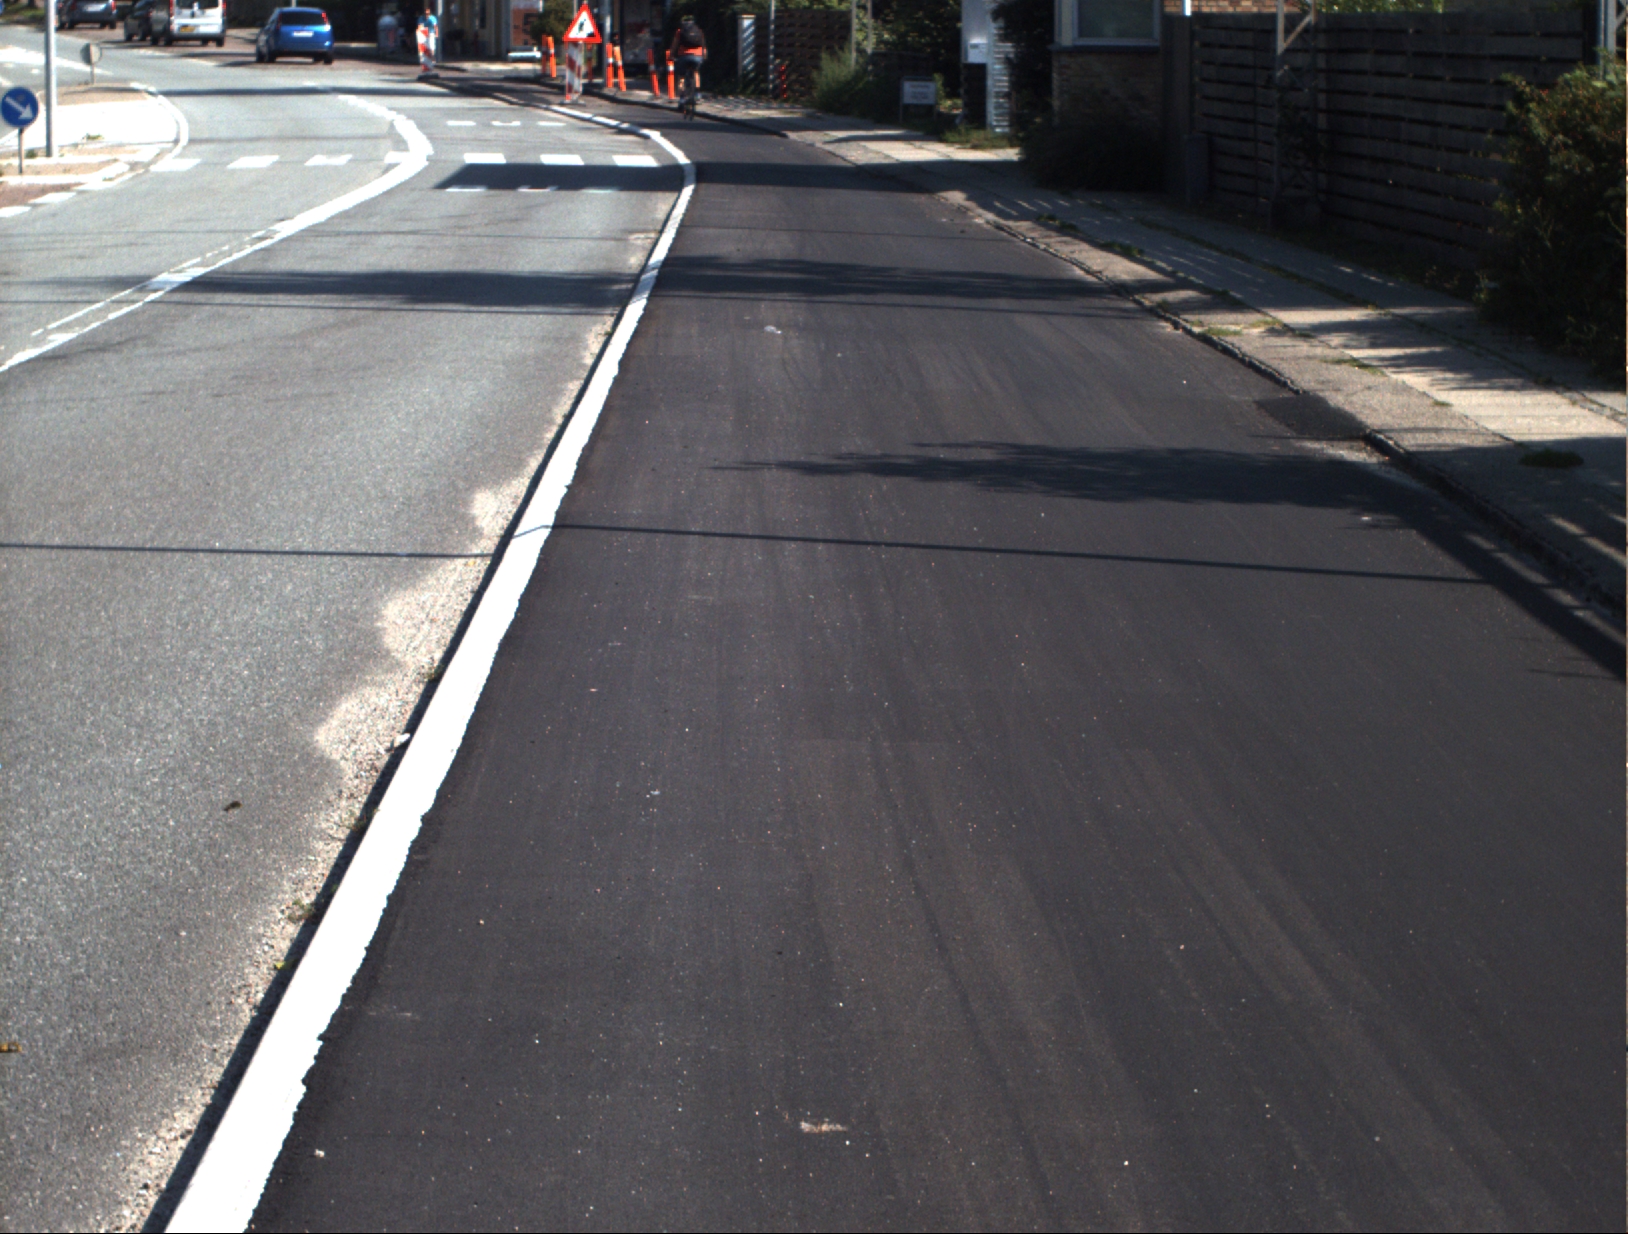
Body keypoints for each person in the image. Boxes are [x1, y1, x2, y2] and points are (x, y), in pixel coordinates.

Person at [668, 14, 705, 107]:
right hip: (697, 56)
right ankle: (697, 93)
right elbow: (703, 44)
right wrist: (703, 55)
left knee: (681, 77)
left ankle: (682, 98)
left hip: (684, 56)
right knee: (696, 72)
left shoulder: (680, 31)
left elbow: (674, 45)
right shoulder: (698, 30)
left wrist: (671, 55)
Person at [416, 1, 438, 75]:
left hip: (431, 34)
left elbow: (435, 26)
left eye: (428, 13)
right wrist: (418, 32)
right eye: (426, 13)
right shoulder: (421, 18)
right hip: (423, 35)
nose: (427, 14)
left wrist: (436, 34)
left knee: (431, 47)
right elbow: (419, 26)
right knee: (424, 49)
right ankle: (426, 64)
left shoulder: (432, 18)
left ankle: (432, 59)